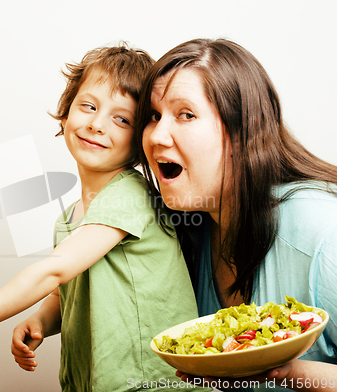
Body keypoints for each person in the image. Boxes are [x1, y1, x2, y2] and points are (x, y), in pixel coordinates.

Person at [0, 43, 203, 392]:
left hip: (151, 382)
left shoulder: (130, 195)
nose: (97, 125)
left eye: (121, 119)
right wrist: (40, 320)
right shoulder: (71, 218)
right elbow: (65, 290)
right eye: (89, 106)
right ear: (66, 113)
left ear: (141, 139)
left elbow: (54, 270)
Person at [137, 38, 337, 392]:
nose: (156, 135)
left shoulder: (321, 233)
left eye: (185, 114)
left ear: (243, 133)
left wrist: (287, 372)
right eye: (154, 116)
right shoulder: (192, 228)